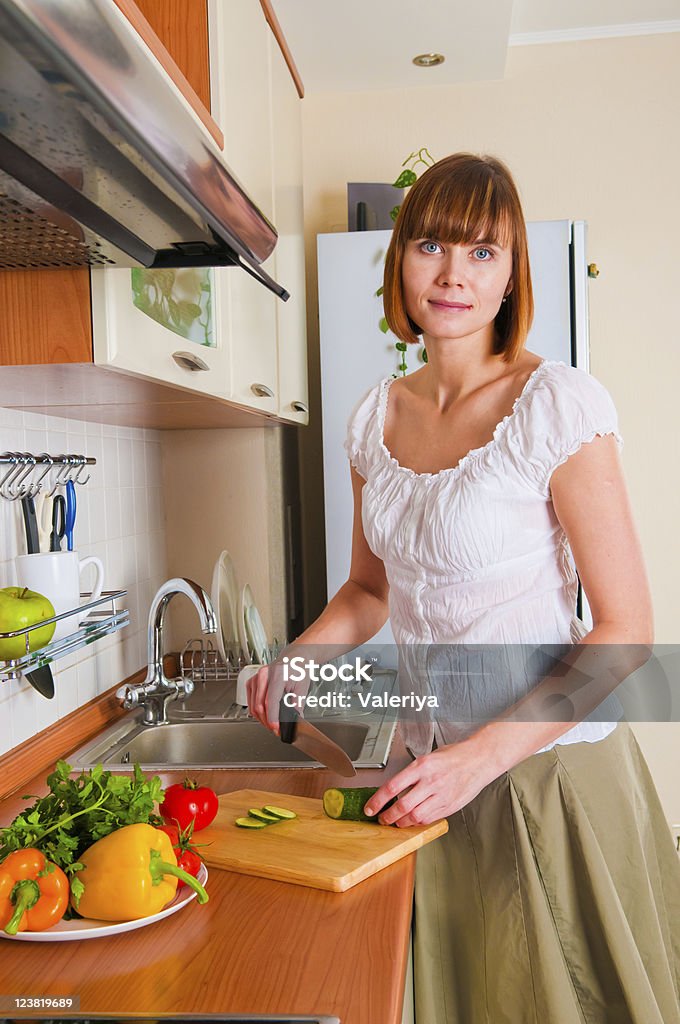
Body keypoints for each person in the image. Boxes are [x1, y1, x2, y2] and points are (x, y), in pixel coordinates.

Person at [248, 153, 680, 1023]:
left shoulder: (555, 404)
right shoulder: (374, 418)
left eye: (483, 253)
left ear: (513, 272)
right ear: (399, 261)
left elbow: (628, 629)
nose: (453, 274)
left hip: (544, 774)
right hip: (430, 775)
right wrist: (298, 657)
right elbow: (370, 589)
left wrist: (481, 759)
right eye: (434, 246)